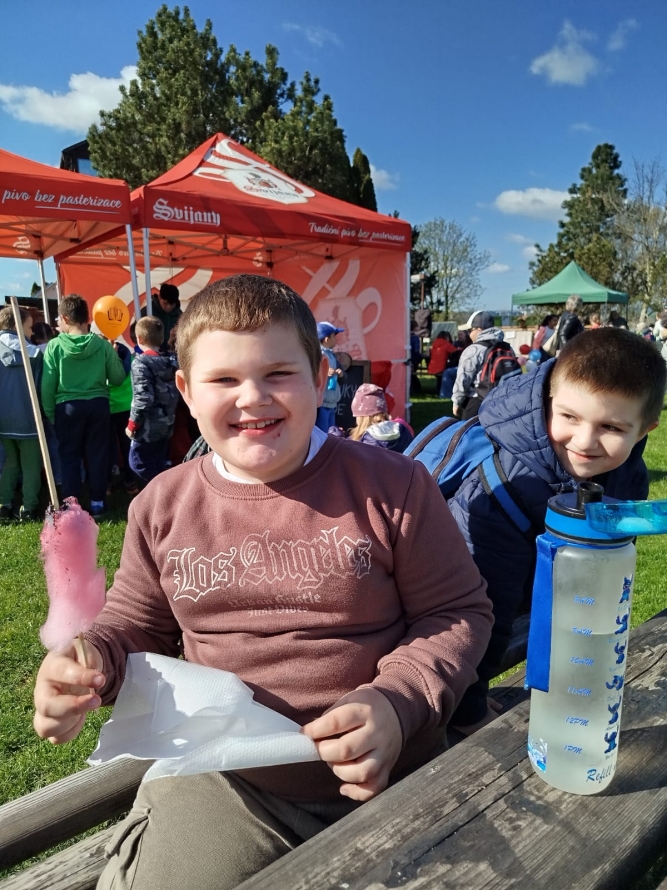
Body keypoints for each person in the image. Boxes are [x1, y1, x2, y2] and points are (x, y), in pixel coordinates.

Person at [33, 273, 493, 890]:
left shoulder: (394, 487)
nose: (252, 398)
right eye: (223, 379)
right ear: (185, 392)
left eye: (278, 373)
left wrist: (398, 700)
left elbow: (457, 612)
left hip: (391, 771)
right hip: (230, 780)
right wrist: (92, 661)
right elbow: (136, 624)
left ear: (322, 379)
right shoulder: (162, 505)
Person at [444, 327, 666, 735]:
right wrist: (467, 707)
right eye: (569, 417)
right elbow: (474, 608)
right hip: (452, 622)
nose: (585, 441)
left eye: (612, 428)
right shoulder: (502, 488)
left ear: (644, 431)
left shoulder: (626, 475)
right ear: (548, 401)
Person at [41, 295, 126, 518]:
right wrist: (114, 356)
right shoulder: (102, 345)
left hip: (67, 407)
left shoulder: (54, 346)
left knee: (69, 457)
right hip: (98, 405)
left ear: (64, 318)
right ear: (87, 317)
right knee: (97, 455)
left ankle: (71, 508)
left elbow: (47, 386)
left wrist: (51, 414)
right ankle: (98, 503)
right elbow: (118, 378)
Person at [0, 306, 43, 522]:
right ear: (18, 326)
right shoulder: (33, 352)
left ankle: (4, 503)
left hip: (4, 418)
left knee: (11, 462)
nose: (32, 332)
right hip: (28, 417)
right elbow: (41, 384)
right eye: (29, 327)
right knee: (30, 465)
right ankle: (29, 507)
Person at [126, 316, 179, 485]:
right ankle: (165, 490)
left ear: (139, 339)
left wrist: (132, 425)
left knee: (138, 464)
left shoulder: (141, 363)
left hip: (147, 429)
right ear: (162, 338)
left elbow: (143, 399)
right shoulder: (171, 361)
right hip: (167, 423)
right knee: (158, 461)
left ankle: (158, 491)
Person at [329, 383, 414, 453]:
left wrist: (337, 441)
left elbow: (349, 461)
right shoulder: (403, 432)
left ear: (361, 418)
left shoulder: (367, 441)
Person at [452, 310, 505, 419]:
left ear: (479, 329)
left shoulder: (473, 350)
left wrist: (457, 402)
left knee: (471, 430)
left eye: (470, 330)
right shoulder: (506, 347)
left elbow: (463, 378)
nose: (469, 334)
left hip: (477, 401)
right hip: (503, 401)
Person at [315, 321, 344, 432]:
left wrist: (341, 373)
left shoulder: (332, 355)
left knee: (332, 431)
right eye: (334, 336)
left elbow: (343, 374)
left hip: (332, 402)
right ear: (327, 339)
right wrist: (323, 372)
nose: (335, 339)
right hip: (321, 403)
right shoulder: (316, 354)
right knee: (322, 432)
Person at [151, 283, 183, 349]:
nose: (169, 307)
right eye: (165, 303)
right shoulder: (148, 312)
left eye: (172, 304)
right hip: (152, 352)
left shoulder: (180, 315)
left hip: (173, 352)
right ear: (159, 297)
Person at [427, 331, 456, 396]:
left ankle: (438, 391)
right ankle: (442, 392)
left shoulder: (434, 344)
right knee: (444, 376)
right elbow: (455, 350)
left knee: (439, 379)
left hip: (432, 367)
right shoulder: (447, 344)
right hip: (441, 368)